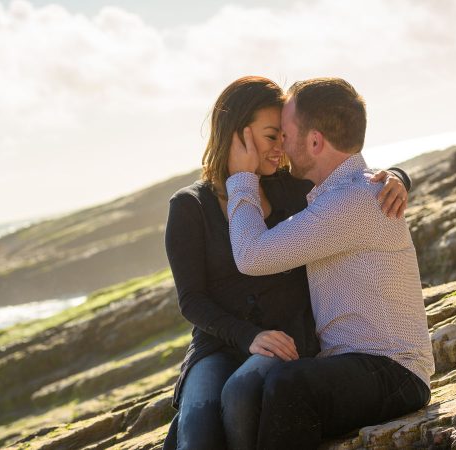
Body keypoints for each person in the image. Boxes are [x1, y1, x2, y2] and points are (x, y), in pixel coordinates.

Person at [162, 76, 412, 450]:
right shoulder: (189, 207)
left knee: (241, 396)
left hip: (287, 341)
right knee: (197, 428)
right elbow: (191, 300)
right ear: (236, 135)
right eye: (270, 136)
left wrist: (398, 177)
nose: (281, 147)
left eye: (283, 135)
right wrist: (248, 337)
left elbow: (346, 180)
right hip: (219, 345)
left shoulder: (292, 187)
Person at [225, 77, 434, 449]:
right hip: (361, 368)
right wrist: (402, 175)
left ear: (315, 141)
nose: (282, 145)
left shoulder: (351, 200)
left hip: (393, 370)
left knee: (290, 384)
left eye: (286, 134)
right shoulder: (343, 191)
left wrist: (241, 178)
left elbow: (251, 255)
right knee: (262, 393)